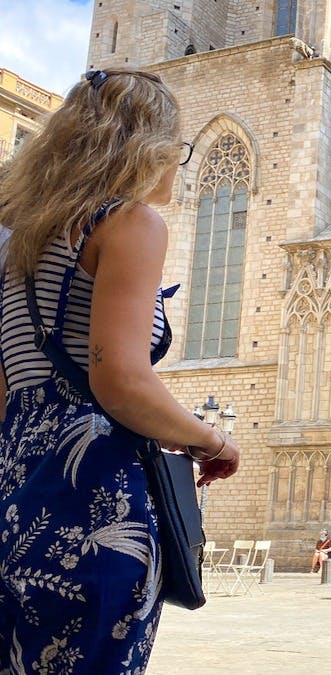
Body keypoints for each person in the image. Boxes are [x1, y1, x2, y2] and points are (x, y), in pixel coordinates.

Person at [0, 68, 241, 673]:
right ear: (148, 147)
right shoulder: (128, 223)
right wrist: (211, 438)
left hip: (16, 486)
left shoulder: (16, 239)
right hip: (95, 498)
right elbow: (120, 379)